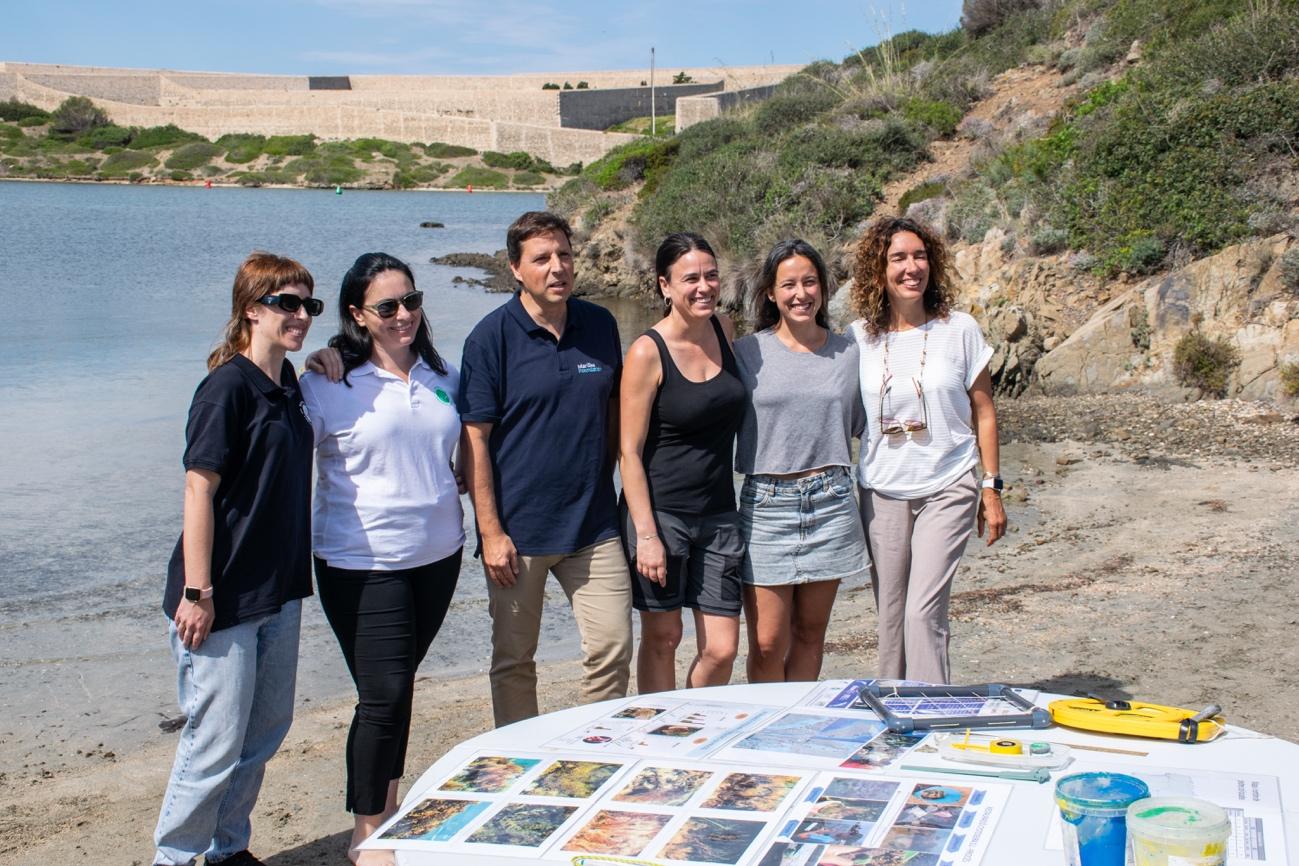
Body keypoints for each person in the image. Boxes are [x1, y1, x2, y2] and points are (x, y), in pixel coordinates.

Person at [153, 252, 320, 866]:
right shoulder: (226, 387)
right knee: (214, 742)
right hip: (219, 595)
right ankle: (174, 857)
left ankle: (228, 850)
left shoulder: (289, 382)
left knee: (264, 732)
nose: (301, 315)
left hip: (277, 589)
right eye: (287, 304)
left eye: (309, 305)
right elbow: (199, 488)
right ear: (252, 308)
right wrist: (198, 592)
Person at [299, 253, 463, 866]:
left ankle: (387, 807)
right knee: (384, 692)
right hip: (360, 563)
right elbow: (276, 450)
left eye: (411, 301)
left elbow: (466, 457)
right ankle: (368, 832)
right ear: (357, 315)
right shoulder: (326, 383)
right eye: (387, 307)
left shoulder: (445, 374)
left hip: (439, 555)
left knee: (394, 690)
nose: (403, 316)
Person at [458, 211, 633, 727]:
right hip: (519, 535)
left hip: (593, 527)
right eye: (542, 259)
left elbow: (620, 420)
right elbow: (475, 442)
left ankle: (595, 750)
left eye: (564, 255)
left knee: (613, 647)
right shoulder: (489, 339)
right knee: (514, 662)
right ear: (515, 268)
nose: (557, 267)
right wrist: (490, 532)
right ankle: (521, 761)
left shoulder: (599, 325)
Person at [849, 216, 1008, 684]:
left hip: (948, 483)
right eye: (898, 258)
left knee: (923, 612)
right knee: (891, 618)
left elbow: (985, 411)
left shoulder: (959, 329)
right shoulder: (860, 337)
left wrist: (992, 487)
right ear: (879, 270)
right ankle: (894, 706)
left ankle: (932, 710)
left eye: (919, 256)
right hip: (880, 491)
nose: (911, 267)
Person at [733, 239, 869, 683]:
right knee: (768, 642)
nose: (800, 293)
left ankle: (799, 728)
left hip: (831, 501)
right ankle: (764, 731)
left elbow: (867, 424)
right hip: (767, 506)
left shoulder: (849, 353)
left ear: (824, 289)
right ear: (770, 293)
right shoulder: (746, 352)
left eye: (810, 282)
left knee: (810, 634)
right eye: (788, 284)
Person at [619, 232, 747, 693]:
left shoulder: (725, 329)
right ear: (664, 286)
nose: (704, 287)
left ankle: (693, 719)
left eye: (711, 275)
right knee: (664, 637)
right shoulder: (647, 351)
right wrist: (647, 535)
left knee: (722, 648)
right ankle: (658, 729)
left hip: (718, 514)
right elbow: (628, 453)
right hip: (662, 515)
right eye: (690, 278)